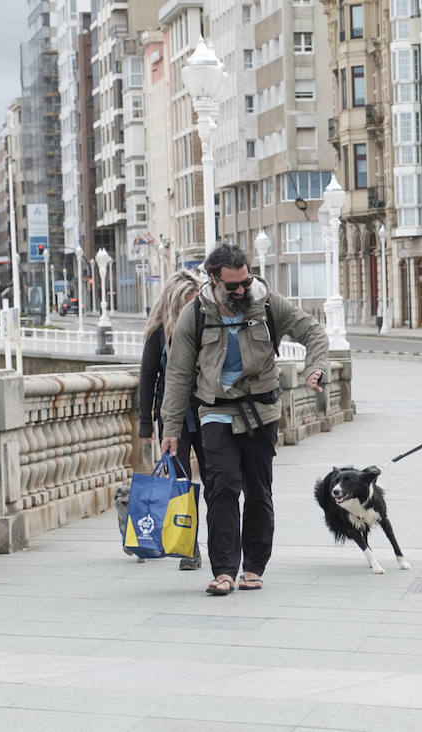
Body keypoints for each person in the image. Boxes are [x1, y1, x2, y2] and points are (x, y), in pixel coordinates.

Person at [160, 243, 329, 596]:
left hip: (261, 411)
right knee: (221, 489)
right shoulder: (196, 313)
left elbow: (314, 332)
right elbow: (177, 374)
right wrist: (171, 428)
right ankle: (223, 571)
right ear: (213, 279)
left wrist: (315, 368)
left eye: (245, 282)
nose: (240, 290)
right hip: (215, 411)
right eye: (232, 285)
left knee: (258, 490)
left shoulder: (268, 303)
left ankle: (253, 566)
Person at [137, 269, 206, 570]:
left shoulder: (205, 327)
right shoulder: (158, 335)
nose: (192, 309)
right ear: (174, 304)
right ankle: (189, 547)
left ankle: (220, 543)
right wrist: (144, 423)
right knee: (179, 484)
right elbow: (147, 378)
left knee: (215, 480)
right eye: (187, 303)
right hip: (172, 417)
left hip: (207, 413)